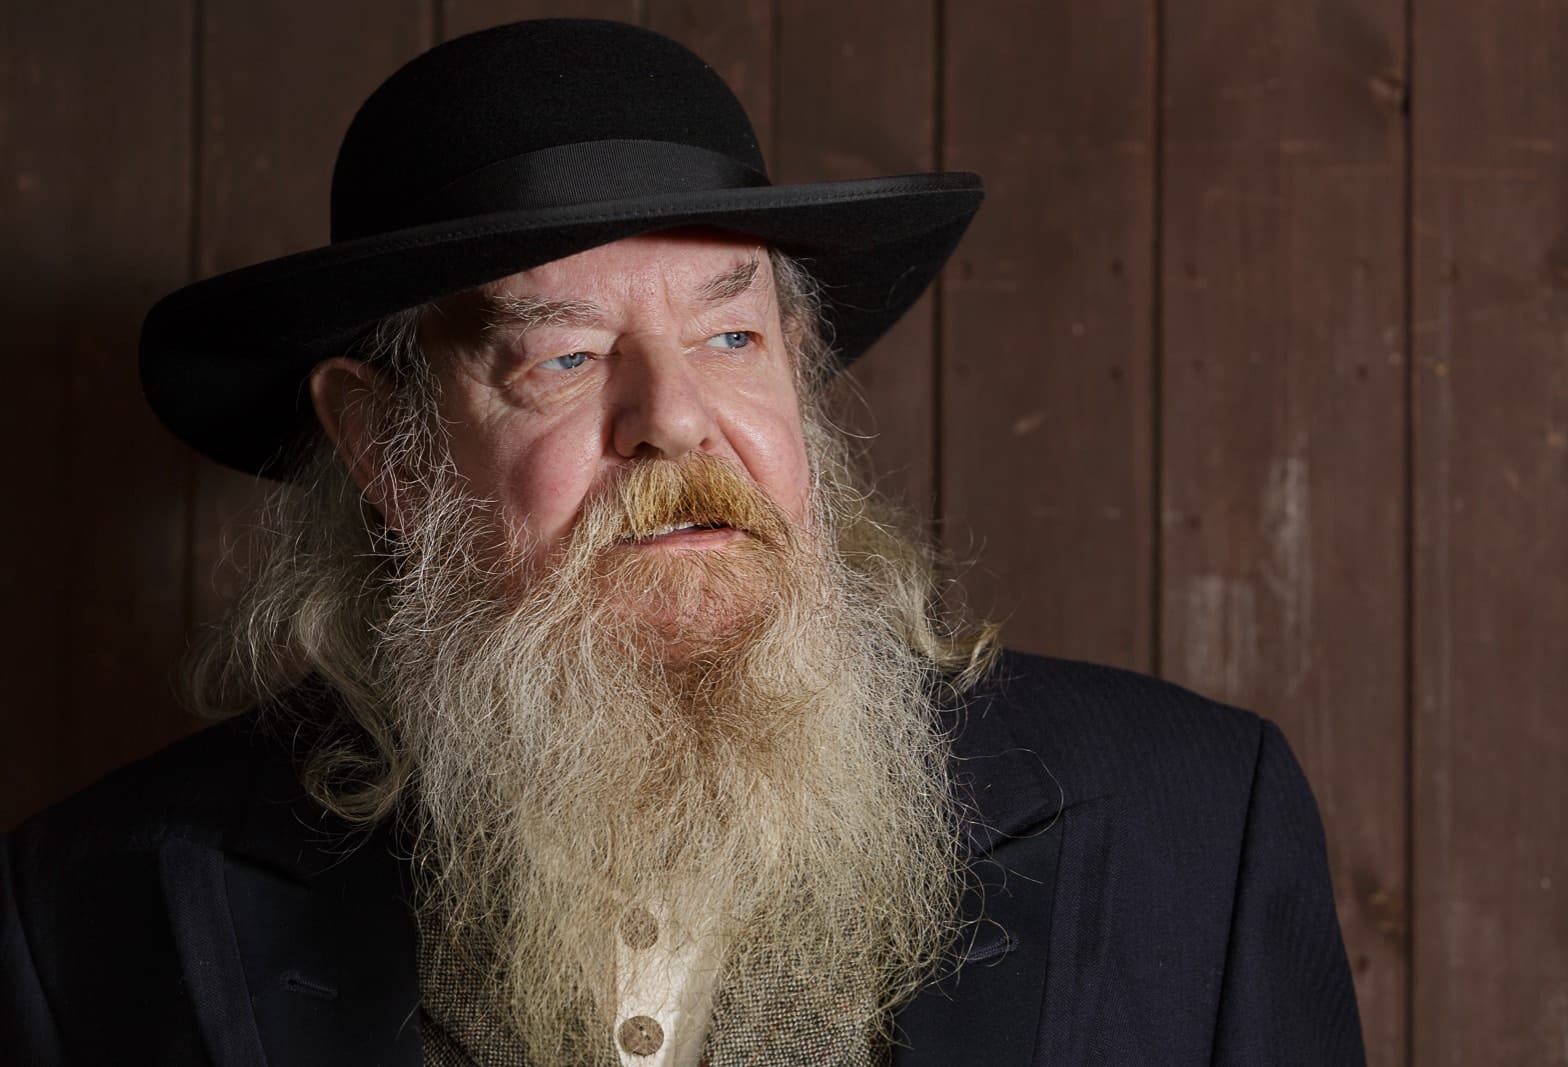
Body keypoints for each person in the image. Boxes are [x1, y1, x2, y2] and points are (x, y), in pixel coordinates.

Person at [0, 18, 1365, 1066]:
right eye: (567, 354)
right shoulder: (90, 910)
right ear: (383, 451)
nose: (676, 423)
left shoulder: (1199, 820)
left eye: (731, 336)